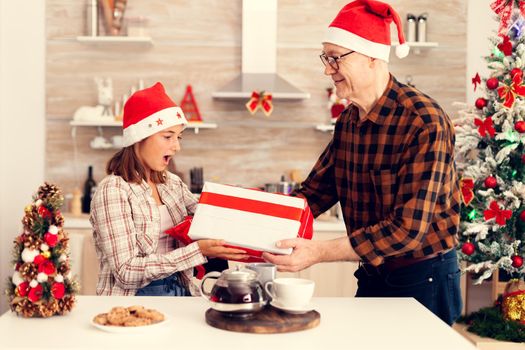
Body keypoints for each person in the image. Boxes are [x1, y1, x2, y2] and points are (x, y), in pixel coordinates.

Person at [263, 0, 462, 325]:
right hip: (372, 273)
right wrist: (251, 221)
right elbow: (312, 196)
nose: (327, 69)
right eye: (325, 58)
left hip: (423, 278)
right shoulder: (349, 121)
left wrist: (318, 252)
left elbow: (408, 230)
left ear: (372, 57)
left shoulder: (423, 120)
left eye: (335, 58)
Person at [90, 82, 249, 296]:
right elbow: (125, 272)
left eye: (179, 137)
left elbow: (208, 214)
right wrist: (197, 251)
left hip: (179, 291)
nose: (177, 146)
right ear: (139, 137)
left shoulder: (171, 183)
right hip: (133, 300)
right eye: (168, 136)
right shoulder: (113, 189)